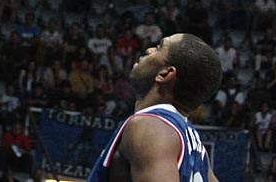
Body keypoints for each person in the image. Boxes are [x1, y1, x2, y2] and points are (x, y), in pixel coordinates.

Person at [87, 33, 223, 182]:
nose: (149, 50)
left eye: (159, 48)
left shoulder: (151, 127)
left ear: (165, 74)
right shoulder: (197, 149)